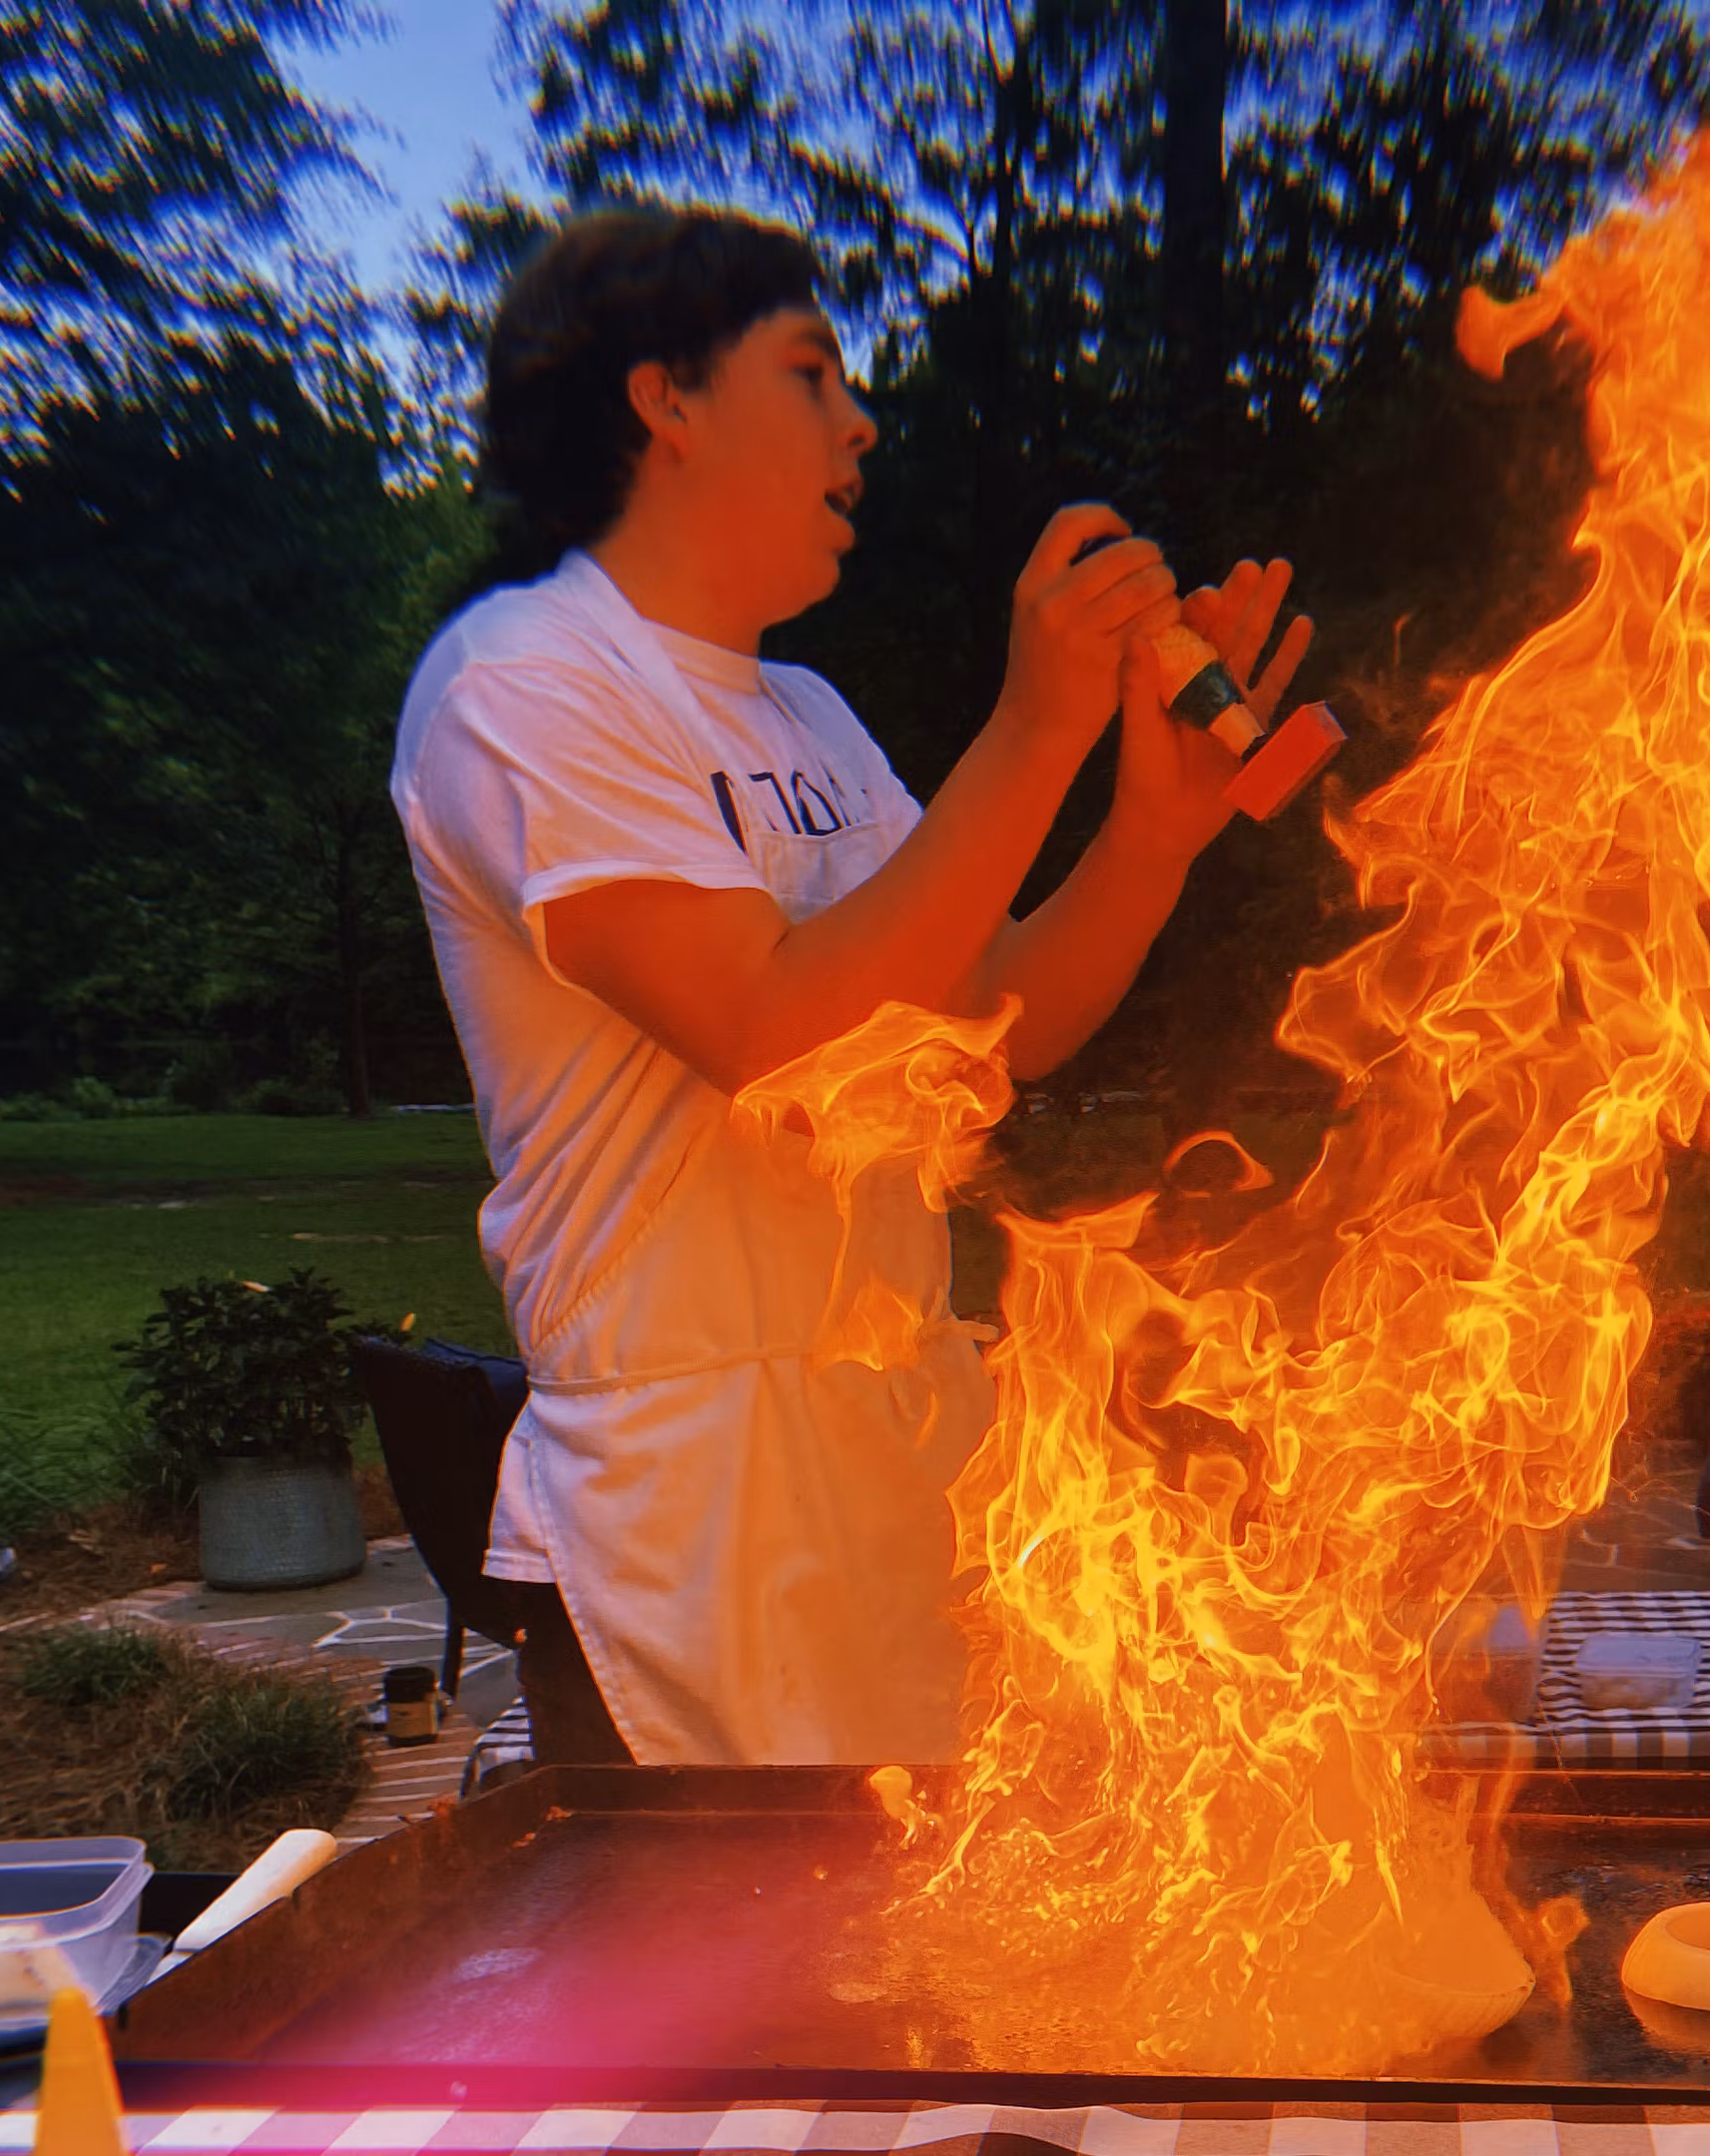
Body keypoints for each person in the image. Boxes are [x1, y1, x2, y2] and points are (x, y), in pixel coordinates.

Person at [389, 206, 1310, 1767]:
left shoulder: (806, 713)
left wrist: (1153, 829)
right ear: (664, 400)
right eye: (812, 372)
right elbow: (772, 1034)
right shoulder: (524, 684)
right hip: (690, 1509)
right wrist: (1034, 732)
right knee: (744, 2002)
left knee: (926, 1987)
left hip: (895, 1461)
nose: (859, 420)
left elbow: (991, 1028)